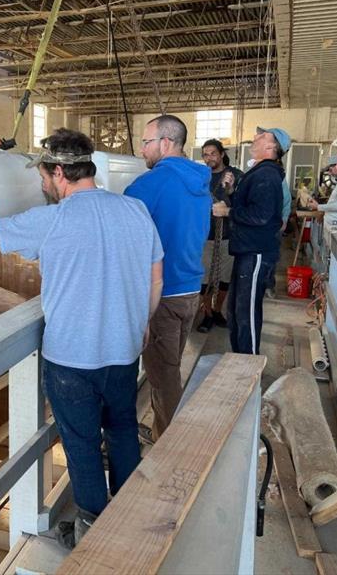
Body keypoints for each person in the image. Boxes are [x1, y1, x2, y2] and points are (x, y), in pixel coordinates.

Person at [0, 129, 163, 549]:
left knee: (81, 445)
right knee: (121, 428)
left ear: (59, 172)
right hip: (124, 351)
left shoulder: (53, 220)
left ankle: (94, 531)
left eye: (43, 175)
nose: (43, 183)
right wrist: (142, 322)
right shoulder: (135, 210)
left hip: (71, 361)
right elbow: (155, 278)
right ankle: (130, 517)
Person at [124, 115, 210, 441]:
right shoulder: (200, 181)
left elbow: (121, 233)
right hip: (190, 289)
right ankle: (163, 431)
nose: (142, 150)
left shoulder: (149, 185)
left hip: (162, 294)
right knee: (169, 367)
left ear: (165, 143)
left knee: (164, 377)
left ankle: (170, 446)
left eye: (145, 143)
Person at [212, 126, 290, 355]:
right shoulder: (259, 172)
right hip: (247, 250)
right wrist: (232, 191)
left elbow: (261, 215)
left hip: (256, 252)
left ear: (271, 146)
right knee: (237, 310)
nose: (255, 138)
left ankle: (249, 364)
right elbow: (250, 207)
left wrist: (228, 212)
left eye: (262, 136)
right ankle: (240, 358)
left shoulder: (266, 174)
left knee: (246, 312)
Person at [197, 139, 244, 333]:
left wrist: (231, 190)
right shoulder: (200, 177)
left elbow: (243, 204)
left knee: (224, 278)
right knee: (205, 279)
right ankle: (207, 313)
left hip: (228, 235)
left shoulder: (236, 175)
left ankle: (217, 310)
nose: (209, 158)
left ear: (222, 154)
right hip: (204, 235)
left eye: (213, 153)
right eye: (206, 154)